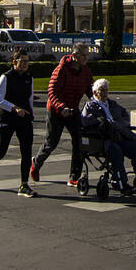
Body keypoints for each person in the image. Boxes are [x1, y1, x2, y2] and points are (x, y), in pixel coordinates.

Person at [81, 78, 136, 194]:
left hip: (119, 135)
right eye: (101, 90)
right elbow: (84, 121)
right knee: (116, 152)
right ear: (95, 92)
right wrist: (101, 122)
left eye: (106, 90)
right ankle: (122, 184)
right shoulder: (90, 106)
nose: (104, 93)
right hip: (104, 139)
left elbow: (125, 117)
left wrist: (118, 125)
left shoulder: (113, 104)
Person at [30, 46, 93, 186]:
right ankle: (36, 163)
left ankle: (74, 176)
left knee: (79, 141)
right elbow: (52, 92)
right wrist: (61, 107)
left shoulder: (86, 71)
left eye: (87, 55)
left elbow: (90, 89)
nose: (85, 58)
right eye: (83, 55)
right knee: (51, 142)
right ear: (74, 56)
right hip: (56, 111)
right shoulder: (61, 69)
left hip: (73, 110)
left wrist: (99, 101)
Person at [0, 49, 37, 197]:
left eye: (27, 61)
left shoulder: (29, 77)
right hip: (6, 117)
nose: (25, 64)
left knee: (26, 151)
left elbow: (30, 97)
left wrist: (30, 113)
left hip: (23, 117)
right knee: (1, 150)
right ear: (14, 62)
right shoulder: (6, 77)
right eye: (22, 61)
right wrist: (14, 108)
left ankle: (24, 185)